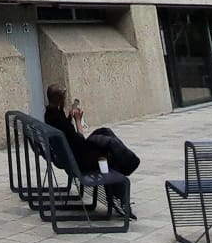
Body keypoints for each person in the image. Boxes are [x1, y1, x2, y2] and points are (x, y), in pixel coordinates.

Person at [43, 84, 140, 213]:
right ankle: (127, 170)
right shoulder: (57, 119)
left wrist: (69, 117)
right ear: (58, 98)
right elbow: (80, 140)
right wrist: (78, 120)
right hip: (80, 160)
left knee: (104, 131)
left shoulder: (51, 114)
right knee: (108, 148)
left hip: (74, 154)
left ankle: (128, 161)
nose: (65, 99)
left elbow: (67, 133)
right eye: (63, 97)